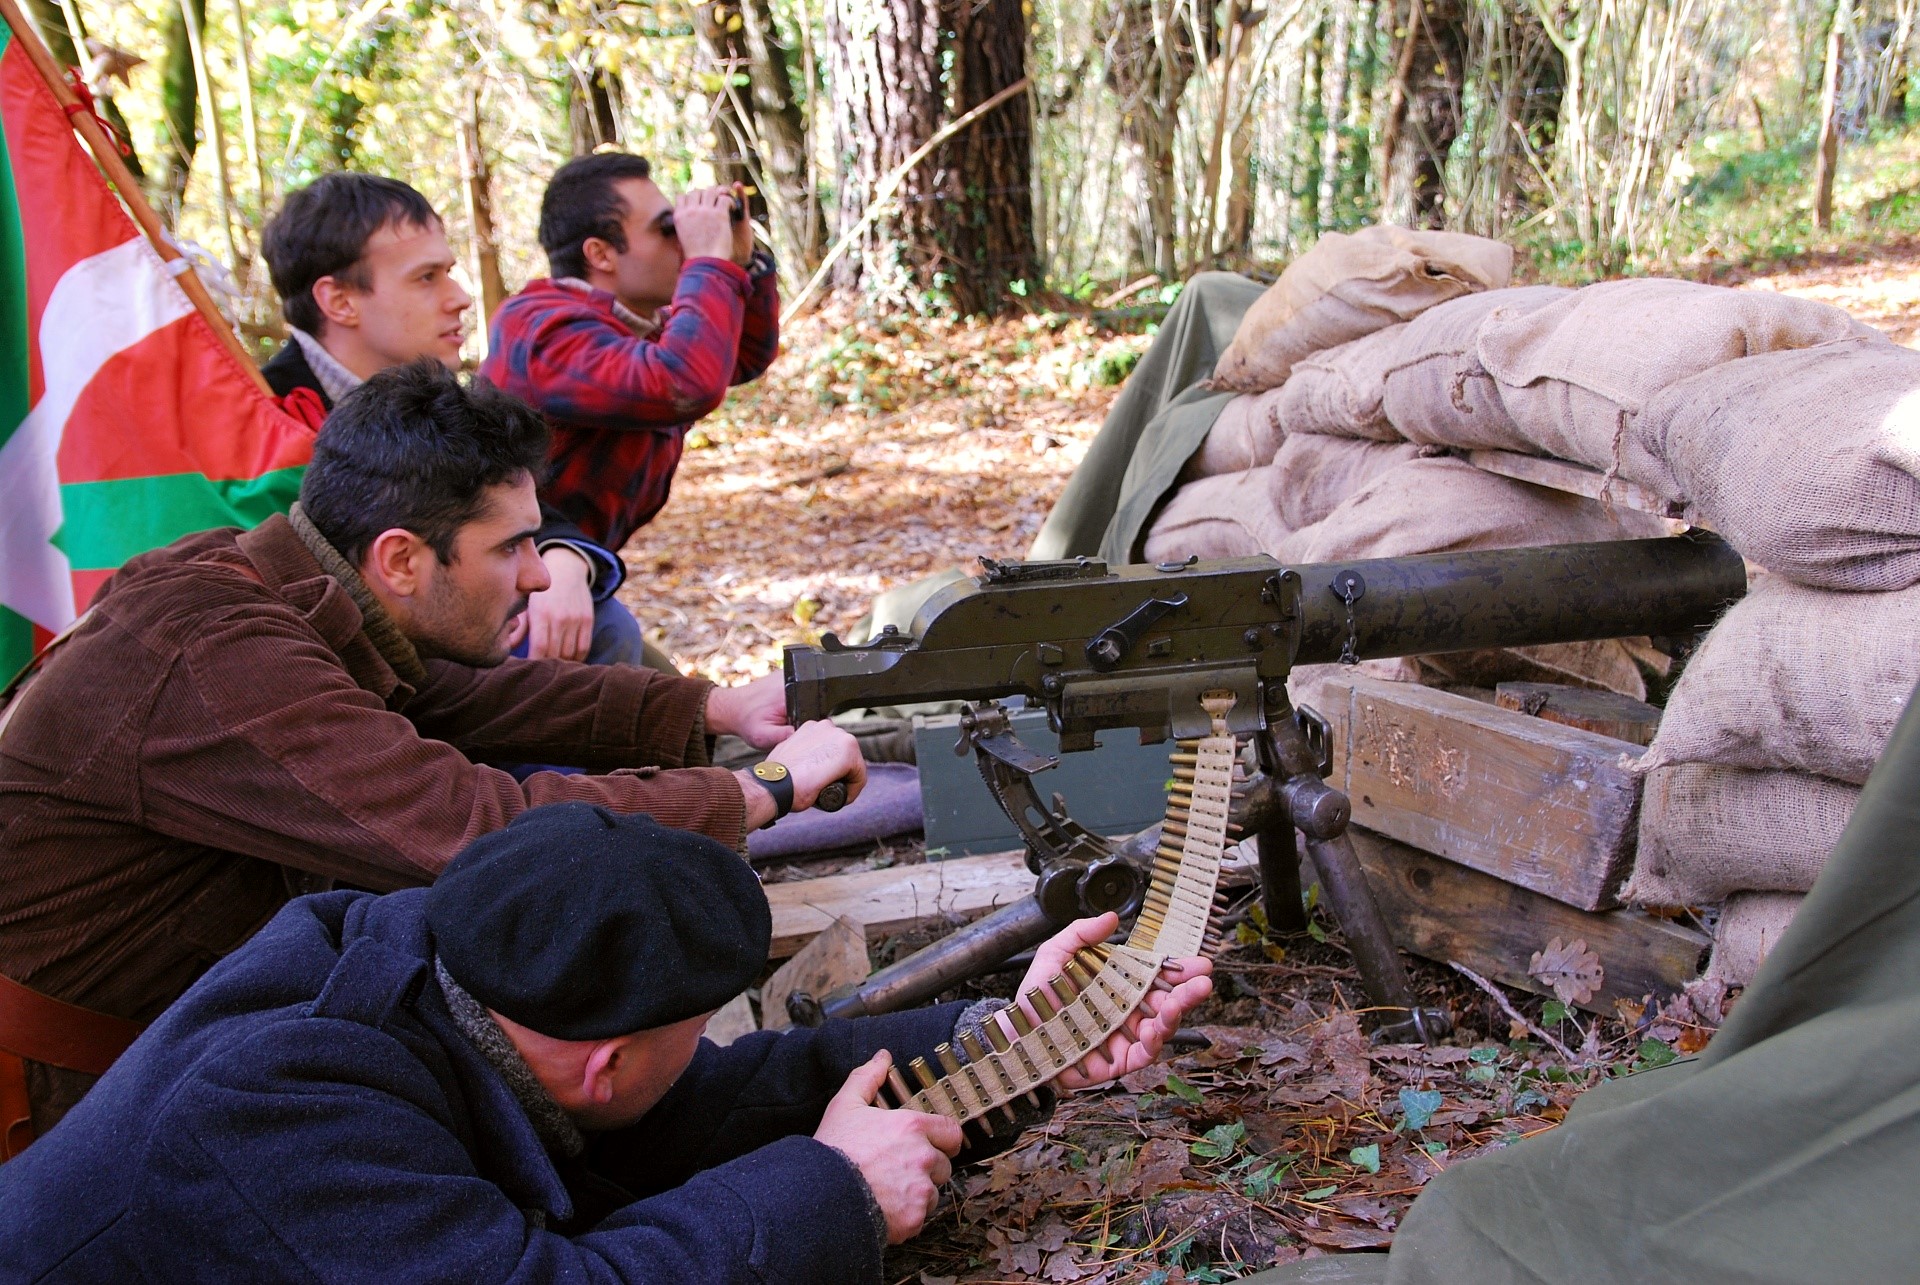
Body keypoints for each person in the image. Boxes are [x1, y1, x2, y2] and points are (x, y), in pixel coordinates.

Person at [0, 361, 864, 1144]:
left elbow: (470, 698)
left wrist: (712, 706)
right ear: (402, 559)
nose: (536, 573)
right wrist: (760, 791)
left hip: (167, 1033)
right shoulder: (219, 652)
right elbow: (471, 827)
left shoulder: (287, 584)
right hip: (67, 1091)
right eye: (511, 547)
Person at [0, 803, 1214, 1281]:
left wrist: (1005, 1036)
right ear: (598, 1061)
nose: (706, 1049)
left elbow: (705, 1102)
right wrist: (838, 1188)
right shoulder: (288, 1109)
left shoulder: (459, 968)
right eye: (686, 1030)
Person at [259, 171, 639, 666]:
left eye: (450, 272)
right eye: (426, 277)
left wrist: (564, 558)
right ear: (340, 301)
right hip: (357, 683)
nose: (459, 297)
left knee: (612, 632)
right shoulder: (265, 426)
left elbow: (499, 504)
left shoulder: (430, 396)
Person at [480, 152, 779, 561]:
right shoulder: (539, 330)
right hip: (505, 568)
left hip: (563, 558)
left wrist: (740, 263)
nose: (682, 241)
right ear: (601, 254)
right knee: (614, 629)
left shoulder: (635, 327)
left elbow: (742, 355)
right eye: (666, 229)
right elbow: (684, 383)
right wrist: (707, 261)